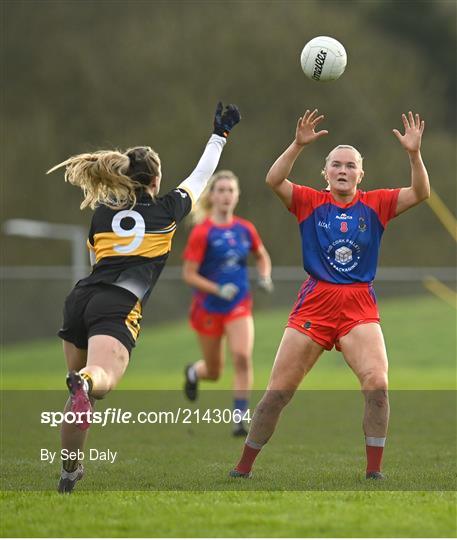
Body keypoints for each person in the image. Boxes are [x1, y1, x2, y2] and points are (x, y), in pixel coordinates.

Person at [46, 102, 241, 493]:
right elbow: (201, 177)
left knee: (81, 393)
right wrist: (219, 135)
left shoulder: (102, 213)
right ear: (155, 180)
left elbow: (95, 259)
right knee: (95, 383)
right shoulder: (168, 210)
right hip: (117, 305)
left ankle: (69, 473)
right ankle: (85, 384)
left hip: (81, 298)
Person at [230, 109, 429, 480]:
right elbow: (274, 180)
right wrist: (297, 144)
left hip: (358, 305)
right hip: (315, 302)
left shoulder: (377, 204)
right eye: (336, 165)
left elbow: (421, 192)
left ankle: (374, 473)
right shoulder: (309, 201)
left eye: (350, 166)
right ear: (325, 173)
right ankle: (243, 468)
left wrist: (414, 154)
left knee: (378, 384)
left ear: (360, 174)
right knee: (277, 393)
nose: (343, 170)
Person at [182, 170, 273, 436]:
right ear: (212, 195)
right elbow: (189, 274)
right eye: (220, 190)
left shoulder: (245, 229)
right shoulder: (203, 232)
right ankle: (194, 372)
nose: (225, 195)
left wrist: (265, 276)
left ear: (237, 196)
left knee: (242, 357)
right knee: (214, 371)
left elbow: (262, 256)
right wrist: (218, 289)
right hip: (208, 308)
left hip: (239, 304)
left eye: (230, 190)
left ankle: (240, 419)